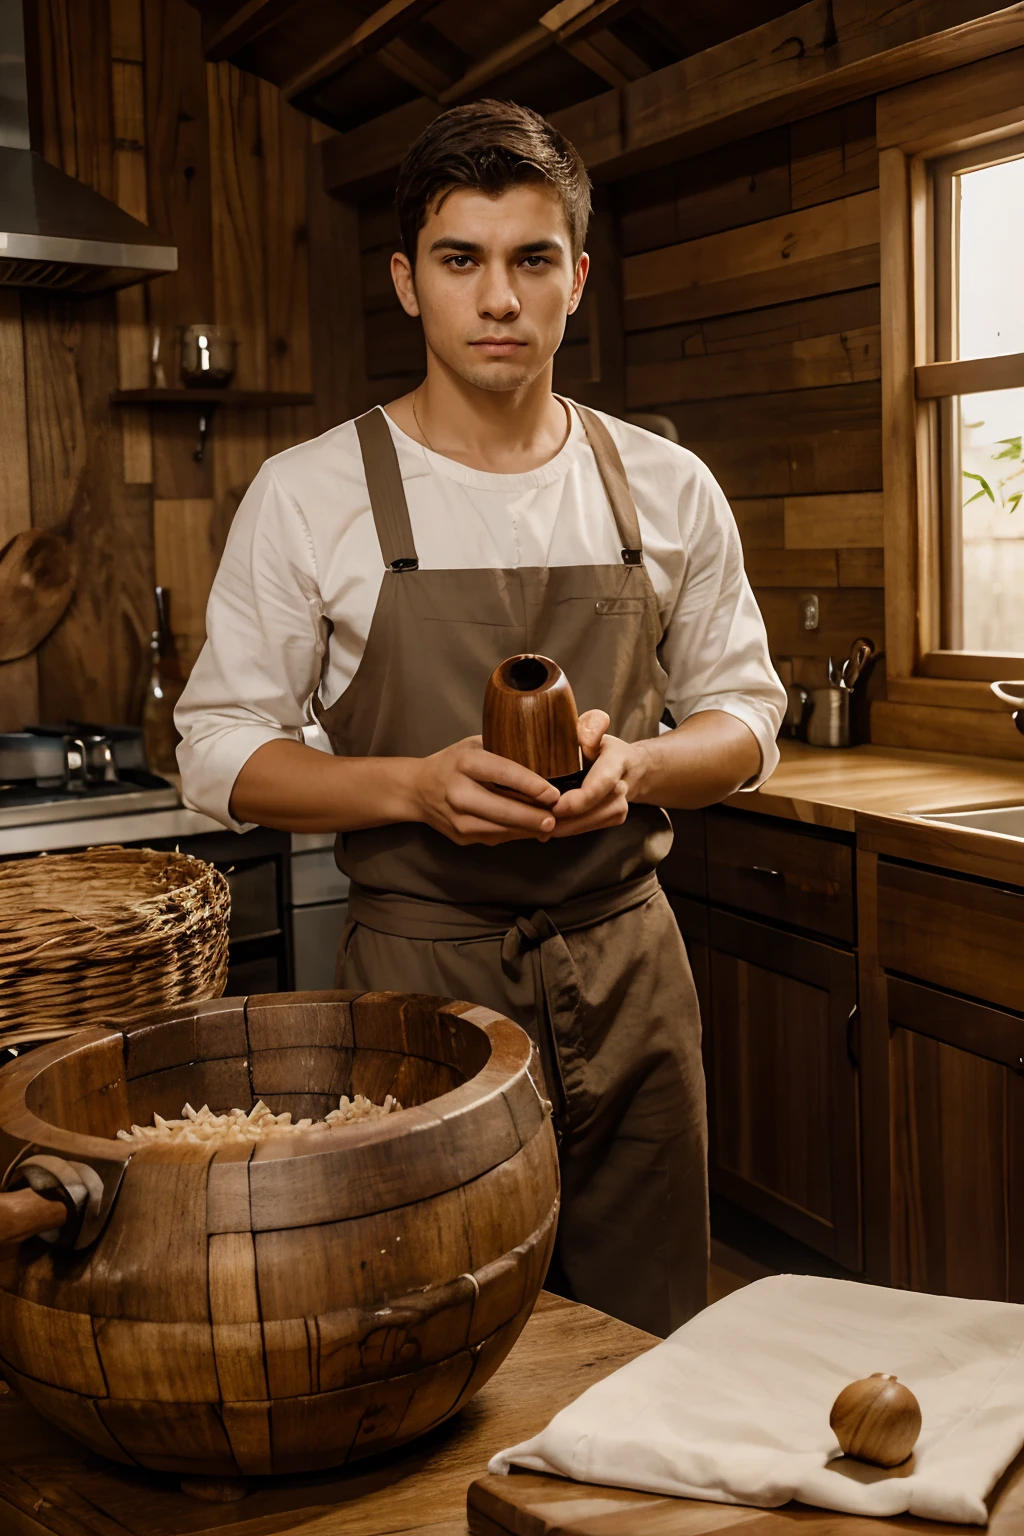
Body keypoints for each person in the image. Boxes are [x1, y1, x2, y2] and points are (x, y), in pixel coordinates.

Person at [176, 99, 786, 1338]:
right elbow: (218, 752)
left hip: (630, 972)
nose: (498, 297)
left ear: (578, 278)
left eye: (531, 259)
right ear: (408, 282)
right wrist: (411, 787)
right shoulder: (308, 495)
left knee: (647, 1337)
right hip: (420, 983)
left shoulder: (667, 485)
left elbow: (749, 716)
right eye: (461, 260)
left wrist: (647, 768)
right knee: (429, 1337)